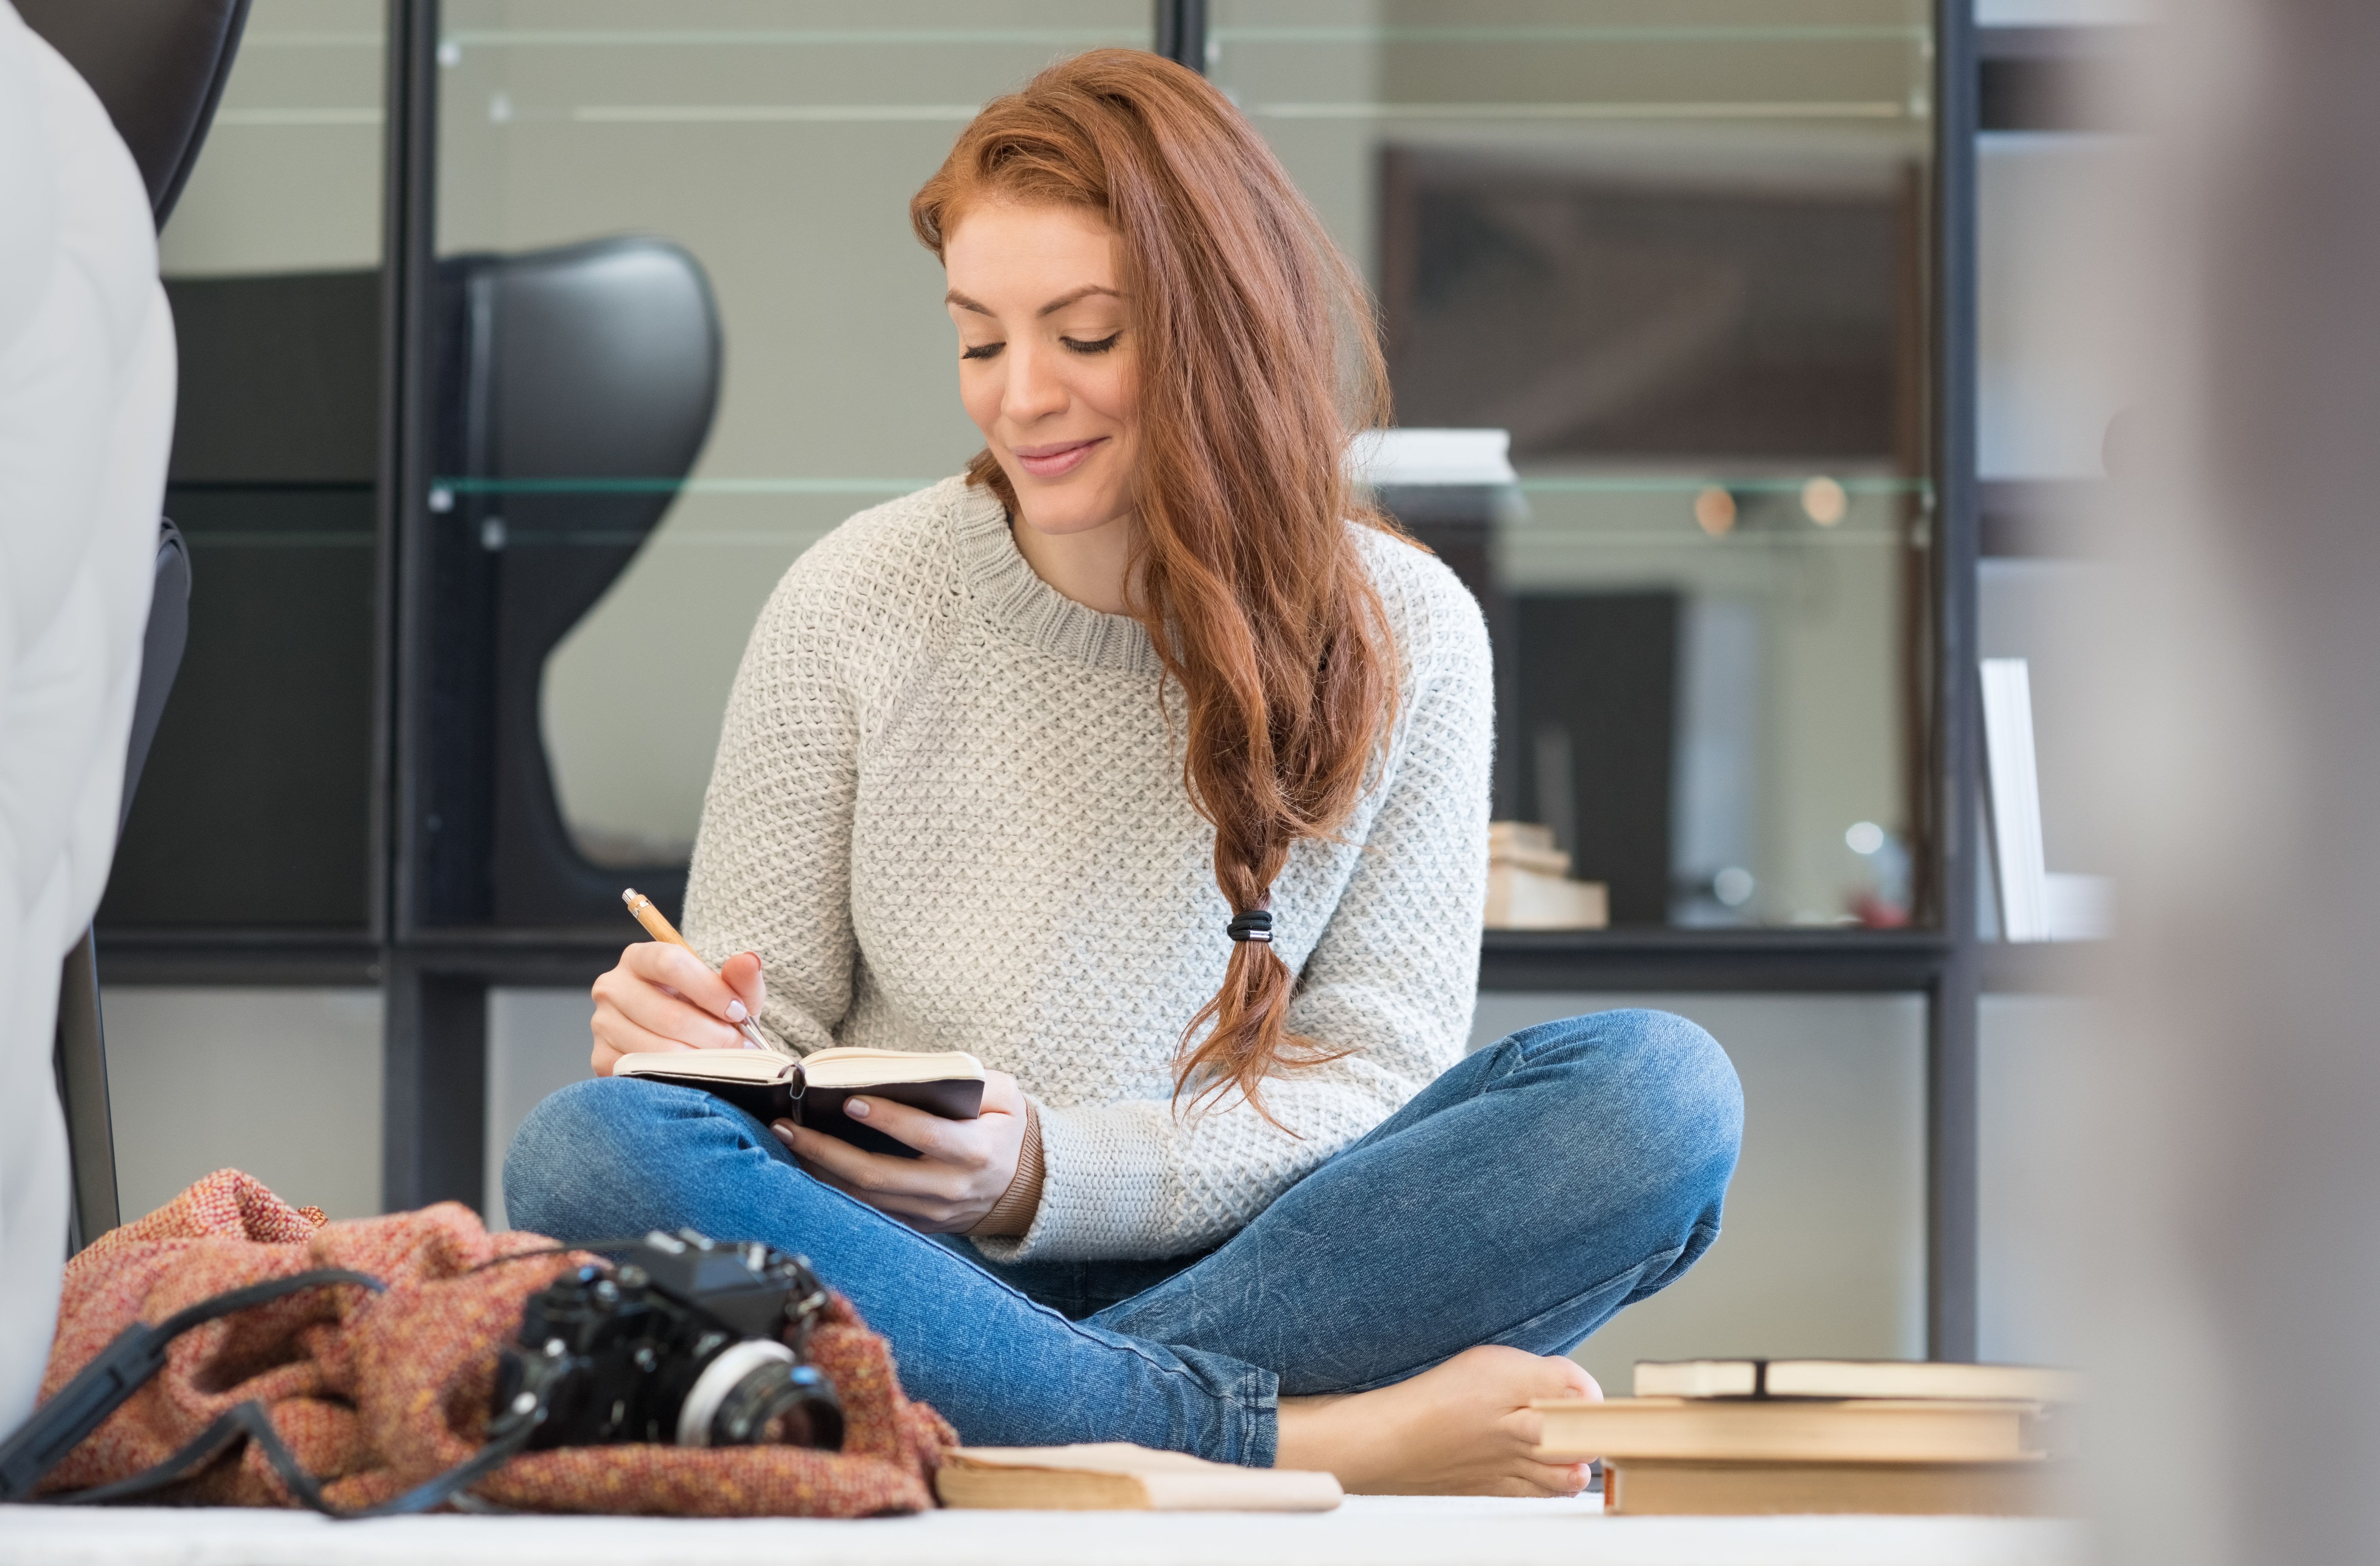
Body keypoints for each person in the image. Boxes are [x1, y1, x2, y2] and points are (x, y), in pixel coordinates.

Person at [505, 48, 1741, 1496]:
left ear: (1220, 333)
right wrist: (691, 1037)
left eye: (1084, 337)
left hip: (1274, 1271)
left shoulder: (1412, 632)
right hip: (909, 1273)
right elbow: (751, 1054)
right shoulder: (853, 599)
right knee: (590, 1152)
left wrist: (1047, 1172)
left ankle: (1028, 1437)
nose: (1019, 399)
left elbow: (1370, 1080)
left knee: (1661, 1098)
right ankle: (1279, 1443)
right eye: (978, 342)